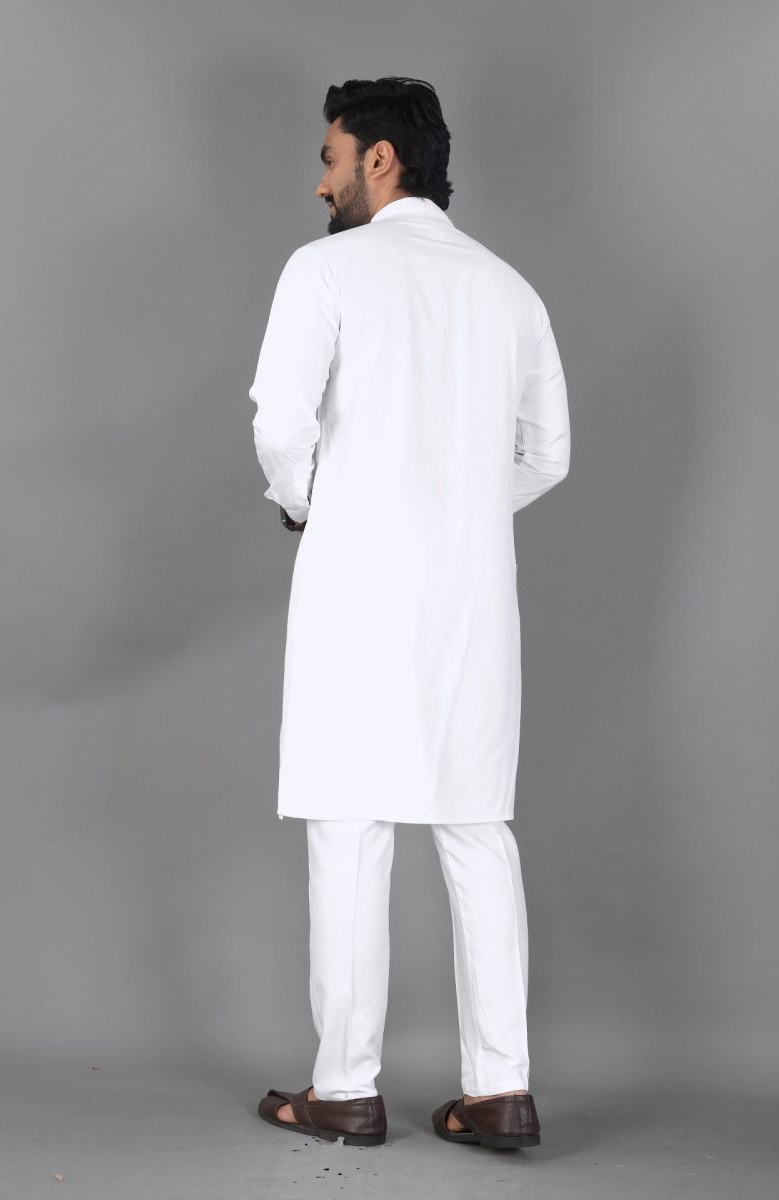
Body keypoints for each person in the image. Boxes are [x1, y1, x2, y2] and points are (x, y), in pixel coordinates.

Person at [249, 76, 570, 1150]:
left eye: (330, 157)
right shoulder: (510, 289)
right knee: (476, 827)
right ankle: (500, 1090)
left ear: (378, 159)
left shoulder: (326, 269)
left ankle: (344, 1088)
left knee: (350, 824)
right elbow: (548, 456)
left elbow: (280, 425)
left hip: (356, 587)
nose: (321, 181)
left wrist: (311, 501)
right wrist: (459, 505)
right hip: (472, 597)